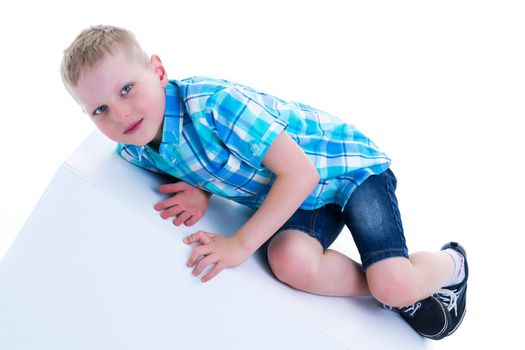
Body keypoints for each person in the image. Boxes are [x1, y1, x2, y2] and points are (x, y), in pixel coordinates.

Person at [60, 25, 468, 340]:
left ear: (159, 71)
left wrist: (239, 244)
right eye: (99, 109)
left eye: (127, 89)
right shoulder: (134, 147)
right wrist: (200, 191)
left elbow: (302, 173)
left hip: (343, 169)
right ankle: (391, 291)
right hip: (300, 201)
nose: (120, 115)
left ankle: (450, 266)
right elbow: (192, 158)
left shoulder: (212, 103)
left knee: (395, 284)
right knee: (290, 262)